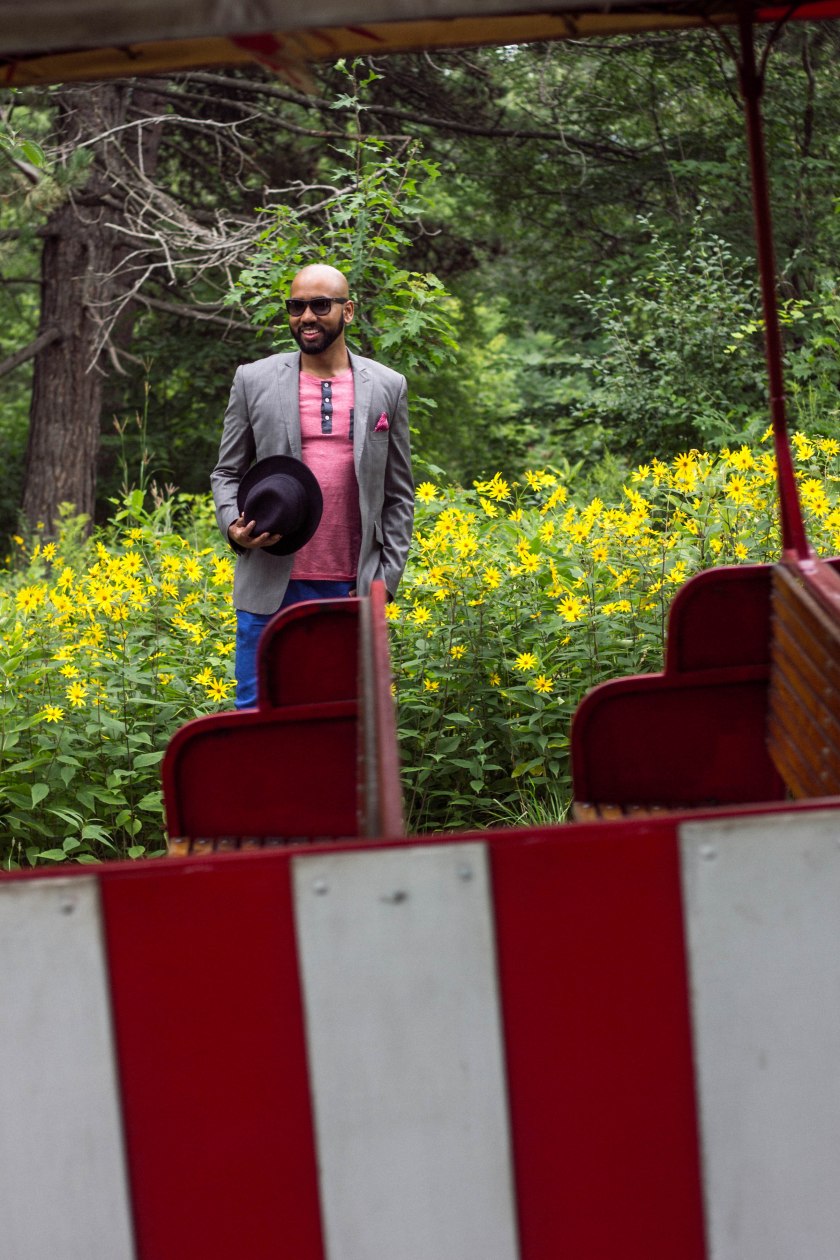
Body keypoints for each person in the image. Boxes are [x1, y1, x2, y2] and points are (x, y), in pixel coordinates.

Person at [211, 263, 414, 708]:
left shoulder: (388, 386)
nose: (307, 316)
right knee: (258, 716)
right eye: (296, 306)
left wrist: (384, 581)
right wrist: (232, 528)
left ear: (348, 311)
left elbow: (399, 495)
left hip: (351, 590)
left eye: (321, 305)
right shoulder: (253, 379)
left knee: (344, 719)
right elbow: (226, 473)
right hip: (269, 584)